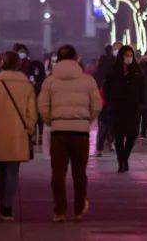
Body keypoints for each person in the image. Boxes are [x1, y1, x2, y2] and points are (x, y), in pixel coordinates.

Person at [37, 44, 102, 222]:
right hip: (80, 132)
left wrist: (51, 121)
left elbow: (42, 106)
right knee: (79, 173)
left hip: (59, 132)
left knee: (58, 173)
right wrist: (86, 120)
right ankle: (79, 208)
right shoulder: (88, 80)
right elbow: (97, 105)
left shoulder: (50, 81)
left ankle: (60, 211)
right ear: (76, 58)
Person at [0, 51, 37, 220]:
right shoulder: (26, 85)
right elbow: (31, 112)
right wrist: (29, 129)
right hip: (18, 133)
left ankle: (2, 203)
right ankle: (8, 206)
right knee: (13, 170)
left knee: (1, 169)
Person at [104, 45, 143, 172]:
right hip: (117, 109)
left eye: (130, 55)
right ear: (121, 56)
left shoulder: (137, 71)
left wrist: (141, 104)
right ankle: (121, 162)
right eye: (126, 55)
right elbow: (107, 88)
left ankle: (124, 158)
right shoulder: (113, 72)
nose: (129, 58)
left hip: (133, 109)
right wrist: (110, 102)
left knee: (132, 135)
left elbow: (143, 89)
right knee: (119, 137)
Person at [16, 43, 47, 142]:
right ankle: (30, 134)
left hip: (35, 93)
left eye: (23, 52)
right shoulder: (17, 66)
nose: (22, 54)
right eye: (20, 52)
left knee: (36, 115)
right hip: (23, 94)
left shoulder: (34, 65)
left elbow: (40, 78)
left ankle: (37, 135)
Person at [93, 45, 116, 155]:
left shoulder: (100, 68)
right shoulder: (115, 64)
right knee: (111, 124)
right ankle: (111, 142)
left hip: (102, 101)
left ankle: (100, 148)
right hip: (112, 101)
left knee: (102, 125)